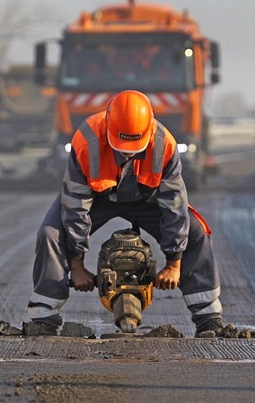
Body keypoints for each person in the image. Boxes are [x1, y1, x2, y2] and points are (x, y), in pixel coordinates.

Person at [27, 90, 223, 337]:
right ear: (108, 124)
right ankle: (43, 316)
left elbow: (174, 205)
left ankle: (208, 318)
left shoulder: (165, 144)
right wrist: (77, 265)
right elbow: (76, 207)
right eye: (122, 147)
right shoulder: (85, 140)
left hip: (147, 197)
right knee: (51, 234)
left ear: (149, 128)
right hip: (98, 196)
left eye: (134, 147)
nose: (129, 153)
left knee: (196, 233)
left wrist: (174, 262)